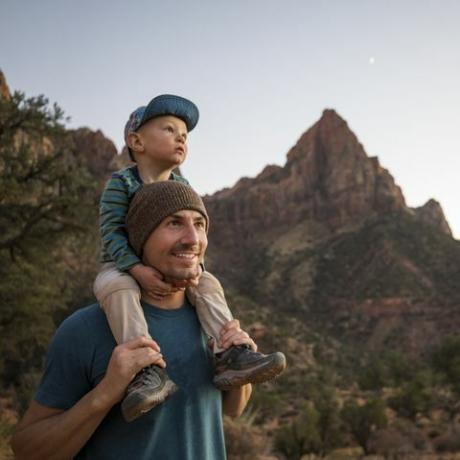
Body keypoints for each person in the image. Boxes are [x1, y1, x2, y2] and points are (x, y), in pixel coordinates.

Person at [12, 181, 278, 459]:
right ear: (141, 237)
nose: (193, 238)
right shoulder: (85, 329)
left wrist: (238, 369)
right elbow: (27, 450)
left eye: (199, 224)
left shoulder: (210, 320)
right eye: (174, 223)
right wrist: (105, 394)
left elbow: (233, 409)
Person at [92, 94, 286, 421]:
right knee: (116, 288)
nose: (181, 136)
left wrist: (195, 270)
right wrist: (136, 268)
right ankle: (146, 371)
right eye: (169, 129)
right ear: (136, 140)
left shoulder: (183, 186)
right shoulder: (122, 183)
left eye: (184, 133)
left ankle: (230, 353)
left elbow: (191, 241)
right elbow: (110, 232)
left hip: (176, 267)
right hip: (123, 266)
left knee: (208, 283)